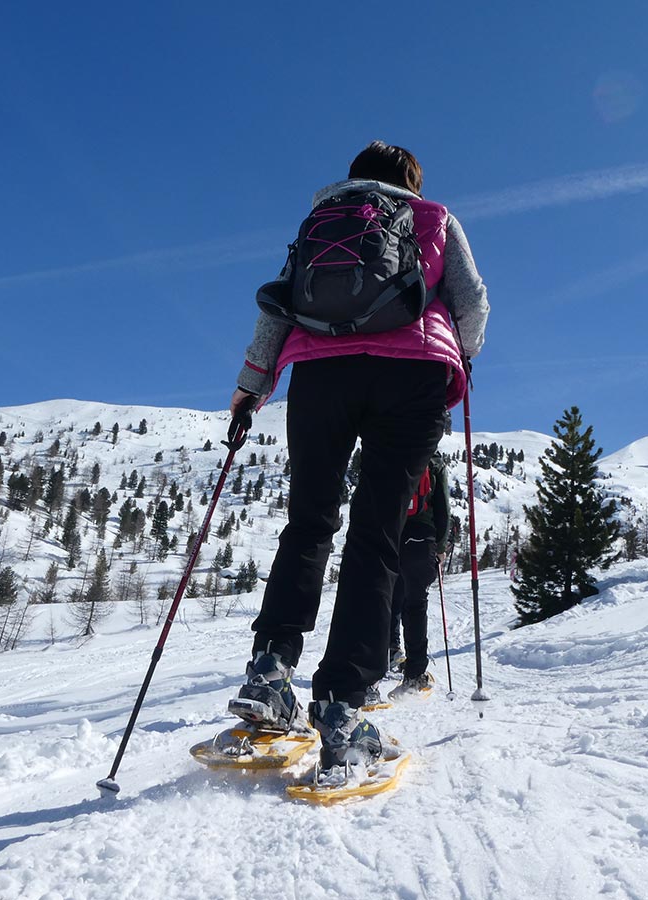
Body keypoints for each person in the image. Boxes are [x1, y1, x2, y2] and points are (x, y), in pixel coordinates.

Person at [226, 141, 489, 771]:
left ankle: (270, 671)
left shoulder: (320, 221)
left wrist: (251, 386)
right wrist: (464, 354)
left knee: (310, 519)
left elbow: (279, 304)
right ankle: (342, 706)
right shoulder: (433, 218)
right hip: (414, 376)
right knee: (377, 535)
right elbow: (471, 299)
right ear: (412, 182)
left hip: (321, 373)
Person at [381, 450, 449, 702]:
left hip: (391, 534)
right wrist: (440, 546)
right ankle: (414, 674)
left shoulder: (390, 451)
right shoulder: (435, 462)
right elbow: (443, 506)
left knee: (386, 598)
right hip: (422, 536)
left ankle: (376, 666)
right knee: (416, 603)